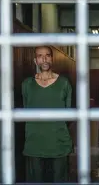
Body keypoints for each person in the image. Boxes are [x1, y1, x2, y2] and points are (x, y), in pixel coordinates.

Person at [22, 45, 72, 183]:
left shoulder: (64, 83)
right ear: (35, 61)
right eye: (40, 56)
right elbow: (27, 110)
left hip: (59, 143)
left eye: (47, 55)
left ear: (52, 58)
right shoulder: (27, 84)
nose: (44, 59)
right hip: (34, 143)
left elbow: (68, 114)